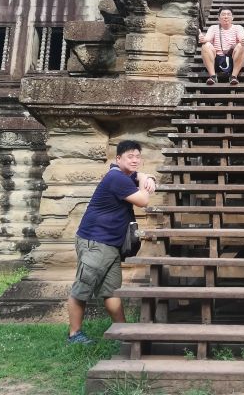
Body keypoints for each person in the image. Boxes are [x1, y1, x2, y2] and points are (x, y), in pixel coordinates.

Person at [66, 140, 157, 344]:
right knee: (82, 289)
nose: (135, 160)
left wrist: (146, 175)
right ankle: (74, 335)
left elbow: (139, 176)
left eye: (137, 156)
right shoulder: (117, 178)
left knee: (111, 291)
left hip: (110, 245)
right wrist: (145, 182)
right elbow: (143, 201)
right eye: (129, 156)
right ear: (118, 159)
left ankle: (121, 333)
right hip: (96, 242)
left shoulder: (122, 175)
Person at [199, 7, 244, 86]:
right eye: (223, 14)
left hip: (232, 60)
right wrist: (202, 38)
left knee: (242, 46)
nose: (226, 16)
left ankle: (234, 76)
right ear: (219, 17)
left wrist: (243, 40)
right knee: (205, 45)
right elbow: (207, 38)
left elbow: (242, 37)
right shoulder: (213, 28)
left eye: (228, 14)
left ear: (232, 17)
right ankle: (213, 76)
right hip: (217, 60)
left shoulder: (238, 28)